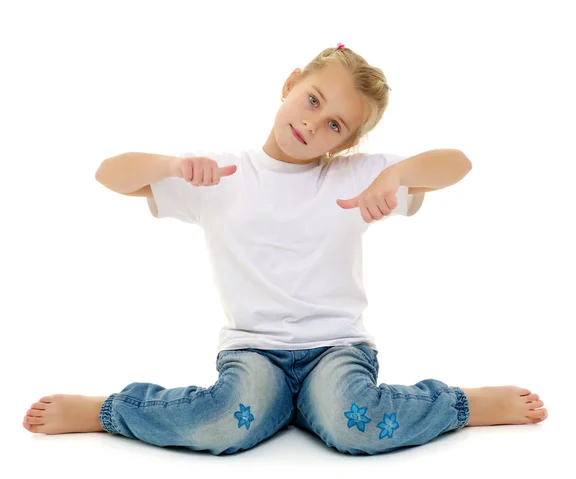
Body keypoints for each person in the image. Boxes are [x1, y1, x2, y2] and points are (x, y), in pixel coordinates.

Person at [23, 43, 547, 455]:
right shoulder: (221, 174)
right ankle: (107, 412)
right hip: (253, 352)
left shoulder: (357, 175)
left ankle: (462, 405)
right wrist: (170, 166)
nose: (311, 124)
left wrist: (398, 175)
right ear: (290, 84)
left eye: (333, 126)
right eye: (312, 101)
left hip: (337, 349)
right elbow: (107, 174)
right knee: (221, 421)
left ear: (343, 144)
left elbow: (458, 164)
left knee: (355, 426)